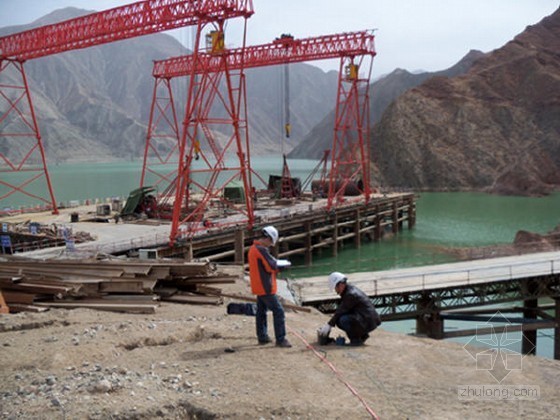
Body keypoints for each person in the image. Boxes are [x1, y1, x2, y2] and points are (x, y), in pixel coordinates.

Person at [248, 225, 292, 348]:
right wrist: (282, 267)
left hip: (258, 286)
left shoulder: (254, 248)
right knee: (278, 311)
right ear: (268, 239)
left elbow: (267, 264)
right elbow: (271, 266)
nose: (270, 245)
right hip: (265, 286)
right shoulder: (261, 250)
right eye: (271, 242)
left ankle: (262, 336)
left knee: (261, 312)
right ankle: (281, 339)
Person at [318, 272, 381, 346]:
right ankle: (362, 336)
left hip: (368, 321)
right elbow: (342, 309)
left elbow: (341, 310)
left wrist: (329, 325)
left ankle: (356, 340)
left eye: (335, 288)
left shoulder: (350, 294)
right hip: (367, 319)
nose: (336, 291)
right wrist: (330, 324)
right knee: (339, 319)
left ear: (340, 285)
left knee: (343, 320)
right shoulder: (348, 290)